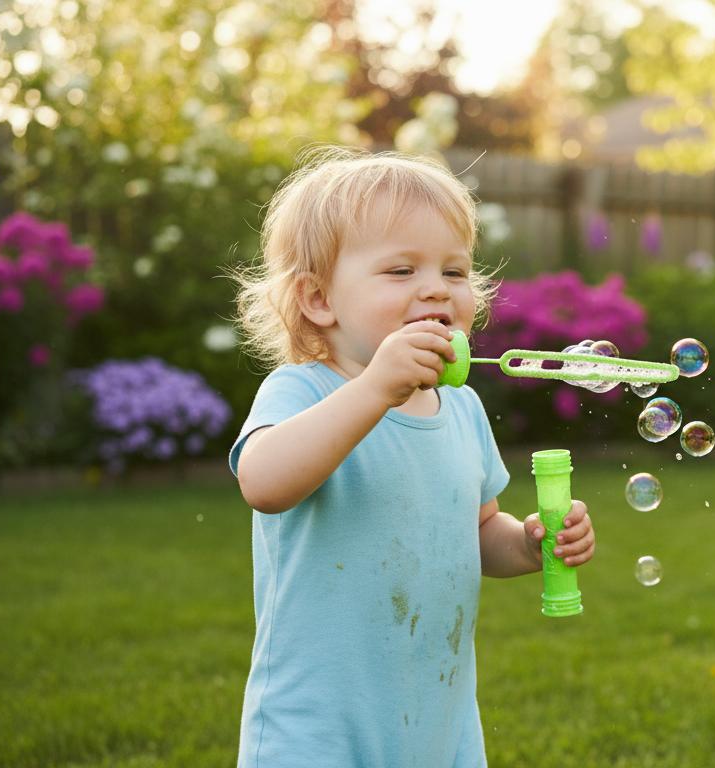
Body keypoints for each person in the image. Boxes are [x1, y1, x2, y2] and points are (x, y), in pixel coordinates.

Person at [228, 146, 596, 766]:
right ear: (319, 299)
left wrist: (530, 545)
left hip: (437, 717)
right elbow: (264, 483)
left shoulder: (462, 411)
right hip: (319, 726)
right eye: (401, 271)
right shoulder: (302, 390)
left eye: (455, 273)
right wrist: (376, 388)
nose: (436, 289)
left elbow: (478, 530)